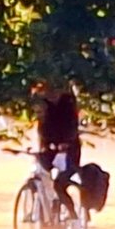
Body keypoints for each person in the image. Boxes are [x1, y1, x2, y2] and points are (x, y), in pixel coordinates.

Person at [31, 80, 81, 216]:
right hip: (50, 149)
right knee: (40, 174)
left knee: (60, 184)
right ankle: (43, 210)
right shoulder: (46, 106)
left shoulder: (68, 104)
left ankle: (72, 215)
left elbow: (72, 127)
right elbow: (43, 130)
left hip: (69, 151)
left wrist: (65, 143)